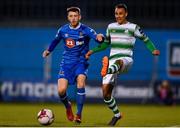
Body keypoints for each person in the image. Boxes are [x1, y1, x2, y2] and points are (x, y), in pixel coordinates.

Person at [85, 3, 160, 126]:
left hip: (126, 59)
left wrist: (153, 49)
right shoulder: (110, 27)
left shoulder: (133, 27)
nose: (118, 16)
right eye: (116, 13)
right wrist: (92, 51)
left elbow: (145, 39)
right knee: (106, 95)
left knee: (119, 62)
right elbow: (106, 43)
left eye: (120, 13)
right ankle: (117, 115)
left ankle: (108, 70)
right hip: (111, 61)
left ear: (126, 14)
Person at [42, 7, 104, 123]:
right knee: (61, 91)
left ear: (79, 17)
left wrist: (100, 38)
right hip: (66, 64)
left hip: (81, 62)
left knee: (81, 83)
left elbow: (97, 38)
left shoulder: (86, 29)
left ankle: (79, 114)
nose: (73, 18)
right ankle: (68, 106)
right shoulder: (63, 30)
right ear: (68, 17)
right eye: (71, 16)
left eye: (75, 16)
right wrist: (49, 50)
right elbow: (55, 41)